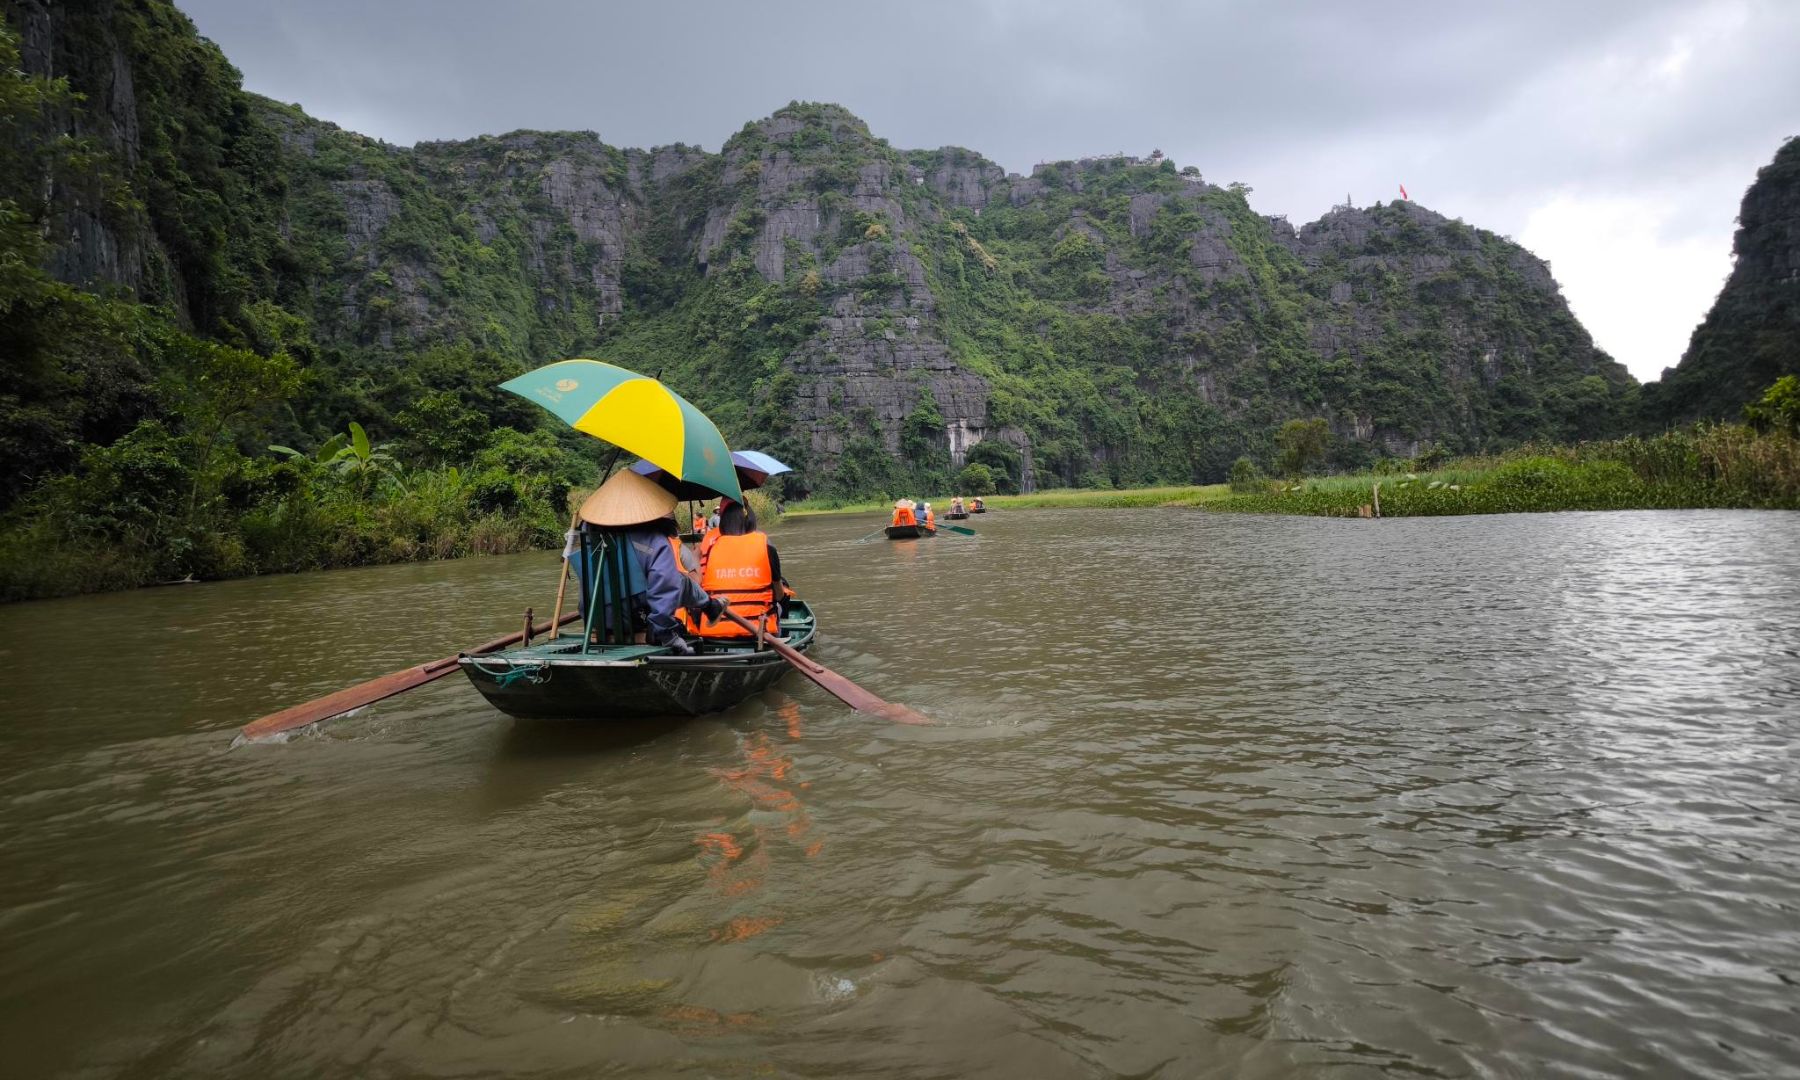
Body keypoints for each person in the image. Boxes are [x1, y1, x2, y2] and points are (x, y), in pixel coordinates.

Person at [574, 470, 724, 655]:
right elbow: (664, 588)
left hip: (600, 622)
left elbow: (584, 597)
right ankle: (710, 606)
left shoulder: (591, 541)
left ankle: (711, 606)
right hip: (637, 618)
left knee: (677, 581)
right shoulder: (653, 541)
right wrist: (666, 633)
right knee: (679, 581)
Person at [696, 500, 790, 638]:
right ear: (750, 519)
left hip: (715, 631)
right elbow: (779, 594)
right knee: (782, 600)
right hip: (758, 632)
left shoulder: (711, 547)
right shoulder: (766, 545)